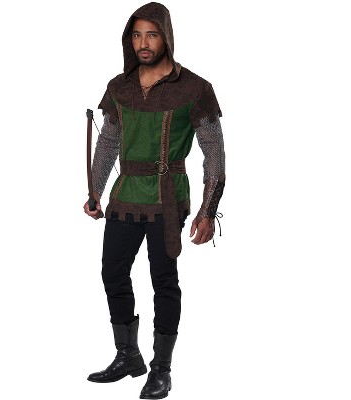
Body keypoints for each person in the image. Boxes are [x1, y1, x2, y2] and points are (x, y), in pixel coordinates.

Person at [83, 2, 225, 398]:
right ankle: (128, 355)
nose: (143, 43)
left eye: (152, 34)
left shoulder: (195, 88)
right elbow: (108, 143)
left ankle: (161, 369)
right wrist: (95, 192)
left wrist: (207, 211)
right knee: (113, 272)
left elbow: (214, 154)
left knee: (163, 280)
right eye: (137, 35)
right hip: (125, 196)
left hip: (167, 199)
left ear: (166, 37)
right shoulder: (120, 86)